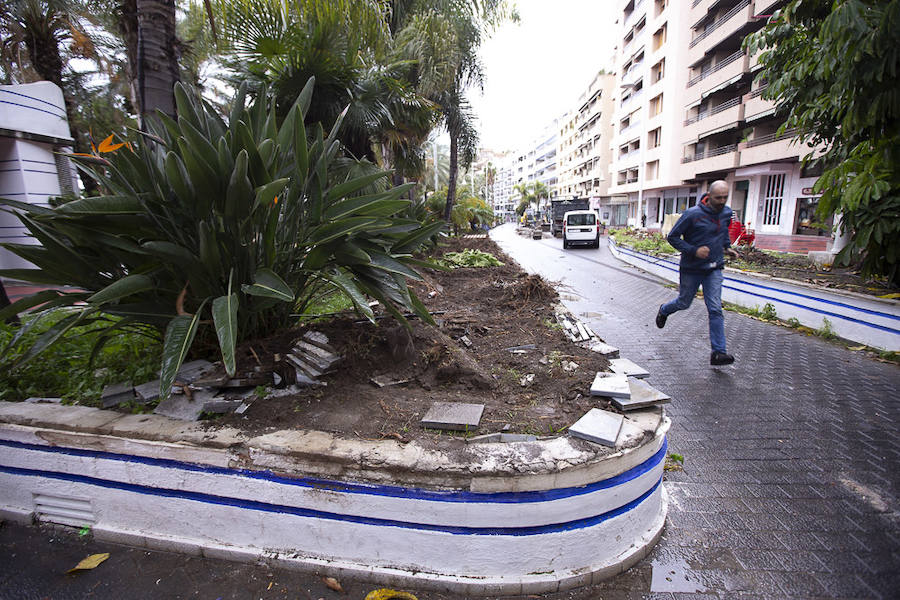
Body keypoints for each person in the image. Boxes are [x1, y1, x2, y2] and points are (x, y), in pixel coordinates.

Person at [655, 180, 738, 365]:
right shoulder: (692, 214)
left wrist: (727, 247)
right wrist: (694, 250)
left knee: (715, 308)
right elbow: (673, 237)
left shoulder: (726, 212)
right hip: (692, 269)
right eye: (718, 198)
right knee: (684, 303)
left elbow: (723, 232)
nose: (722, 201)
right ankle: (664, 310)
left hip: (714, 268)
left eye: (725, 197)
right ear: (709, 196)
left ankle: (718, 353)